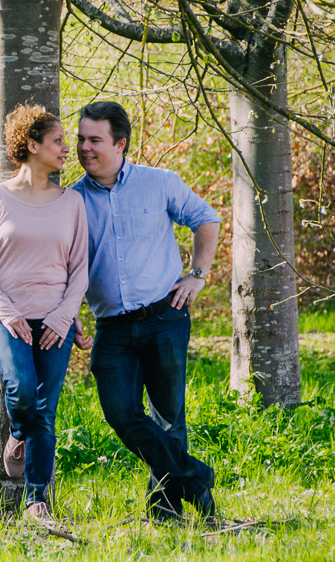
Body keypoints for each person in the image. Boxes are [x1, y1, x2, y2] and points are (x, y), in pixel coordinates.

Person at [72, 101, 220, 522]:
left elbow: (206, 219)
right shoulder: (72, 201)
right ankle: (196, 477)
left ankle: (167, 510)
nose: (84, 147)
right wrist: (70, 311)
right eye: (81, 139)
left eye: (94, 140)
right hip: (112, 328)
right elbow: (67, 263)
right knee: (121, 413)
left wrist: (197, 275)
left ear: (120, 144)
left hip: (164, 316)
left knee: (169, 416)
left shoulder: (160, 183)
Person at [0, 105, 89, 525]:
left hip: (55, 318)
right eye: (57, 141)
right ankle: (18, 433)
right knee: (20, 388)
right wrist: (4, 311)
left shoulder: (71, 202)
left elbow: (80, 270)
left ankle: (37, 501)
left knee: (46, 407)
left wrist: (63, 317)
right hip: (4, 317)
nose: (65, 149)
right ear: (32, 145)